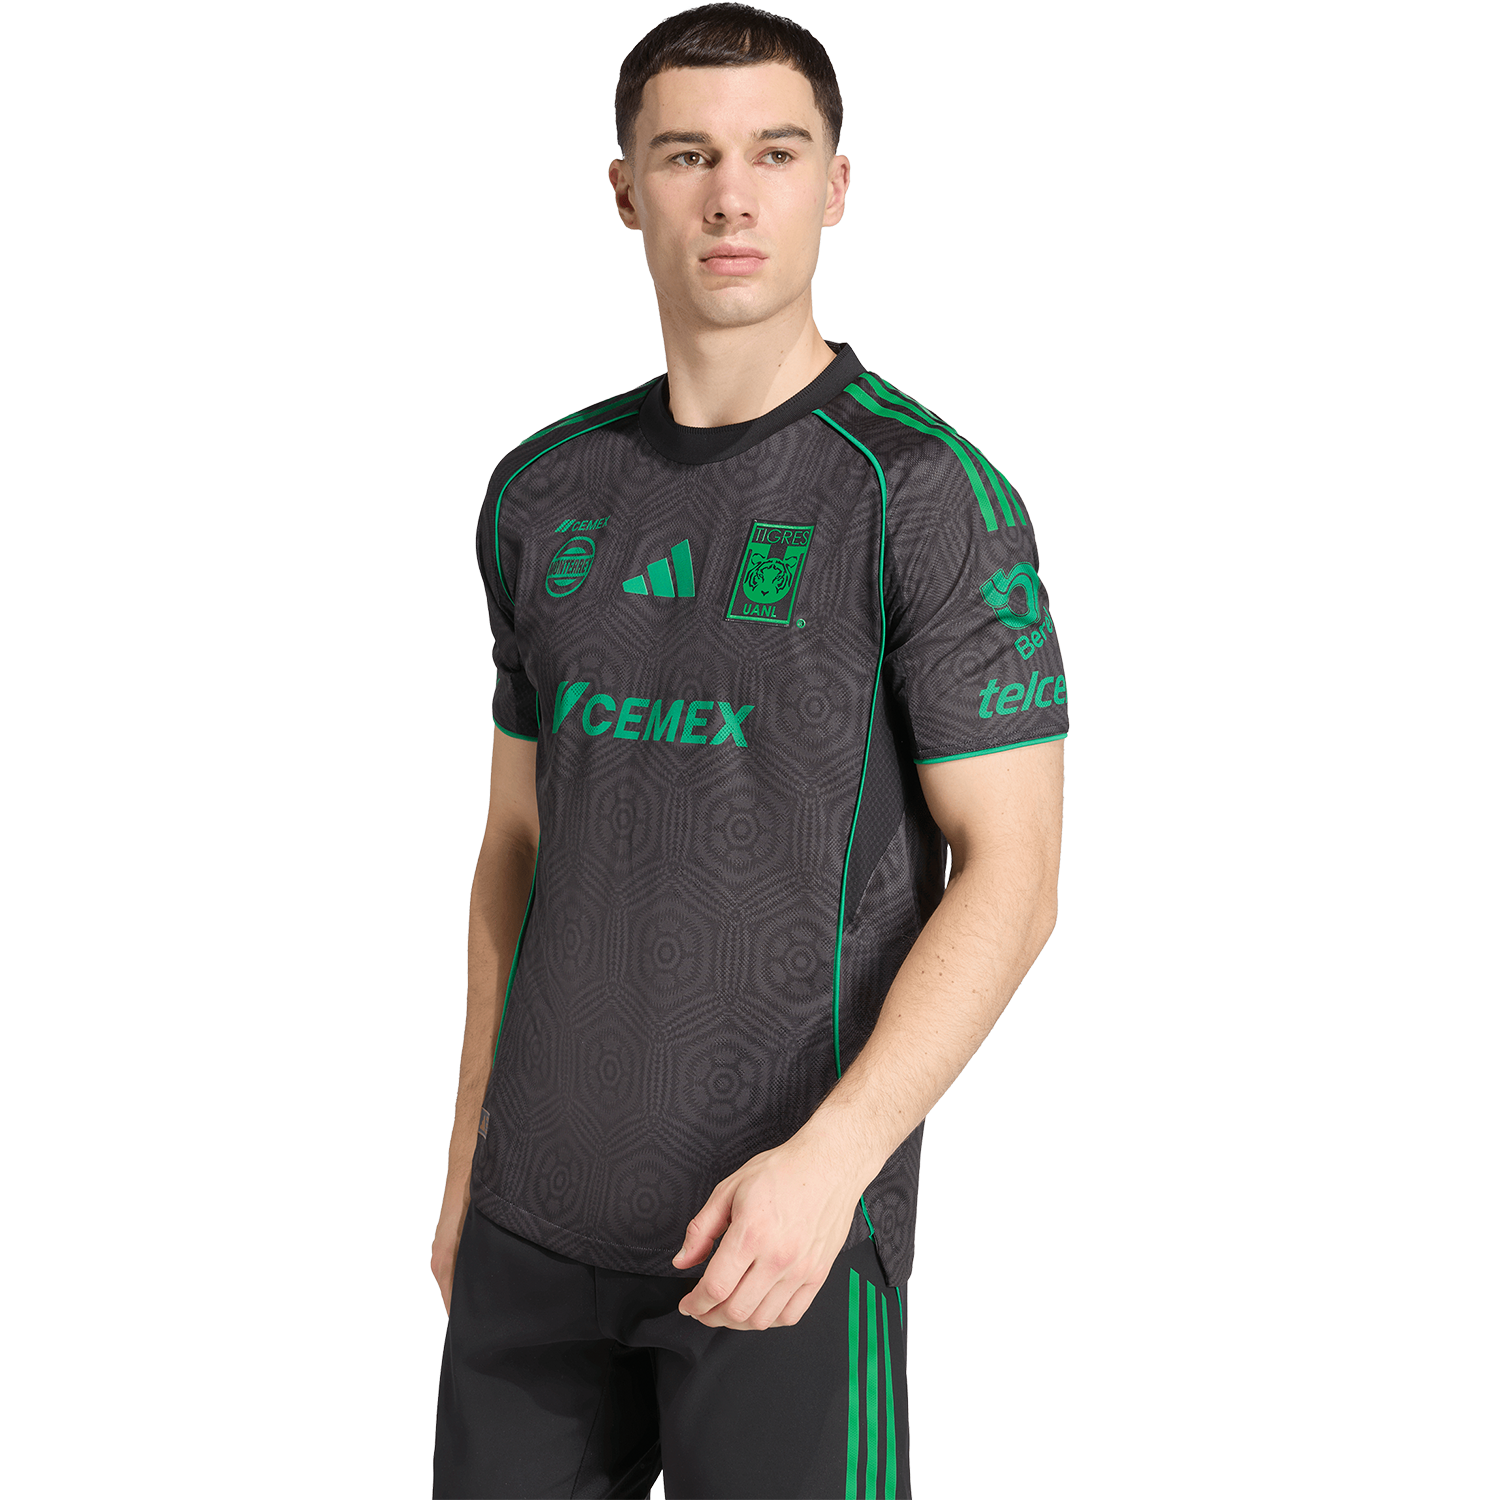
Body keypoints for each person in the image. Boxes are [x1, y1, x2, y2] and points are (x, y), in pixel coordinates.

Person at [429, 6, 1067, 1496]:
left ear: (833, 189)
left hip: (783, 1241)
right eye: (687, 156)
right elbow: (517, 851)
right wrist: (465, 1168)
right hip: (530, 1232)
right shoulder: (540, 491)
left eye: (776, 155)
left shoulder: (925, 493)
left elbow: (1015, 872)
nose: (731, 196)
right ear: (625, 190)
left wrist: (832, 1166)